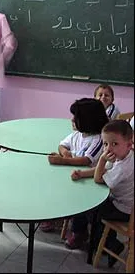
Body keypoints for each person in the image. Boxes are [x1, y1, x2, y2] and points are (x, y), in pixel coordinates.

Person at [69, 120, 133, 267]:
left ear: (128, 145)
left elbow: (99, 178)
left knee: (90, 208)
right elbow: (103, 170)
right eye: (105, 144)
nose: (108, 148)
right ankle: (102, 241)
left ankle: (111, 244)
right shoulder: (124, 155)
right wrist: (82, 174)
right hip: (121, 203)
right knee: (94, 211)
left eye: (114, 144)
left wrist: (102, 158)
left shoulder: (124, 167)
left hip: (123, 209)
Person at [40, 98, 109, 233]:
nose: (72, 120)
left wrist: (63, 160)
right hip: (75, 176)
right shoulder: (78, 134)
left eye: (76, 117)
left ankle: (78, 233)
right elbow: (62, 145)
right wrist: (65, 152)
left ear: (88, 120)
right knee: (51, 185)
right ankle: (54, 216)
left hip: (89, 181)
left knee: (81, 205)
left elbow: (86, 161)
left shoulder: (99, 139)